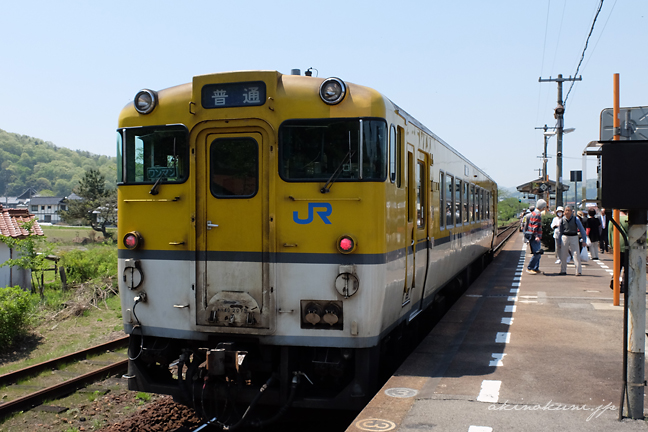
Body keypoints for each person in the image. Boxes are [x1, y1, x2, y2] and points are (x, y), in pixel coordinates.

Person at [558, 205, 587, 276]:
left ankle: (578, 270)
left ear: (571, 212)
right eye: (566, 210)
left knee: (576, 254)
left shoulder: (575, 219)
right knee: (563, 254)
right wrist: (559, 242)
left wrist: (584, 240)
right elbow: (560, 231)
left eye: (569, 210)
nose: (567, 212)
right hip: (565, 236)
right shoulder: (562, 219)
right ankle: (563, 270)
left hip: (574, 236)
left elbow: (582, 229)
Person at [525, 199, 546, 274]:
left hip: (532, 235)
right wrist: (536, 236)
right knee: (537, 253)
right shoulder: (537, 214)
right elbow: (535, 226)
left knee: (538, 253)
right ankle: (530, 267)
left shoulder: (533, 213)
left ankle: (535, 268)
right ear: (543, 207)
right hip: (535, 236)